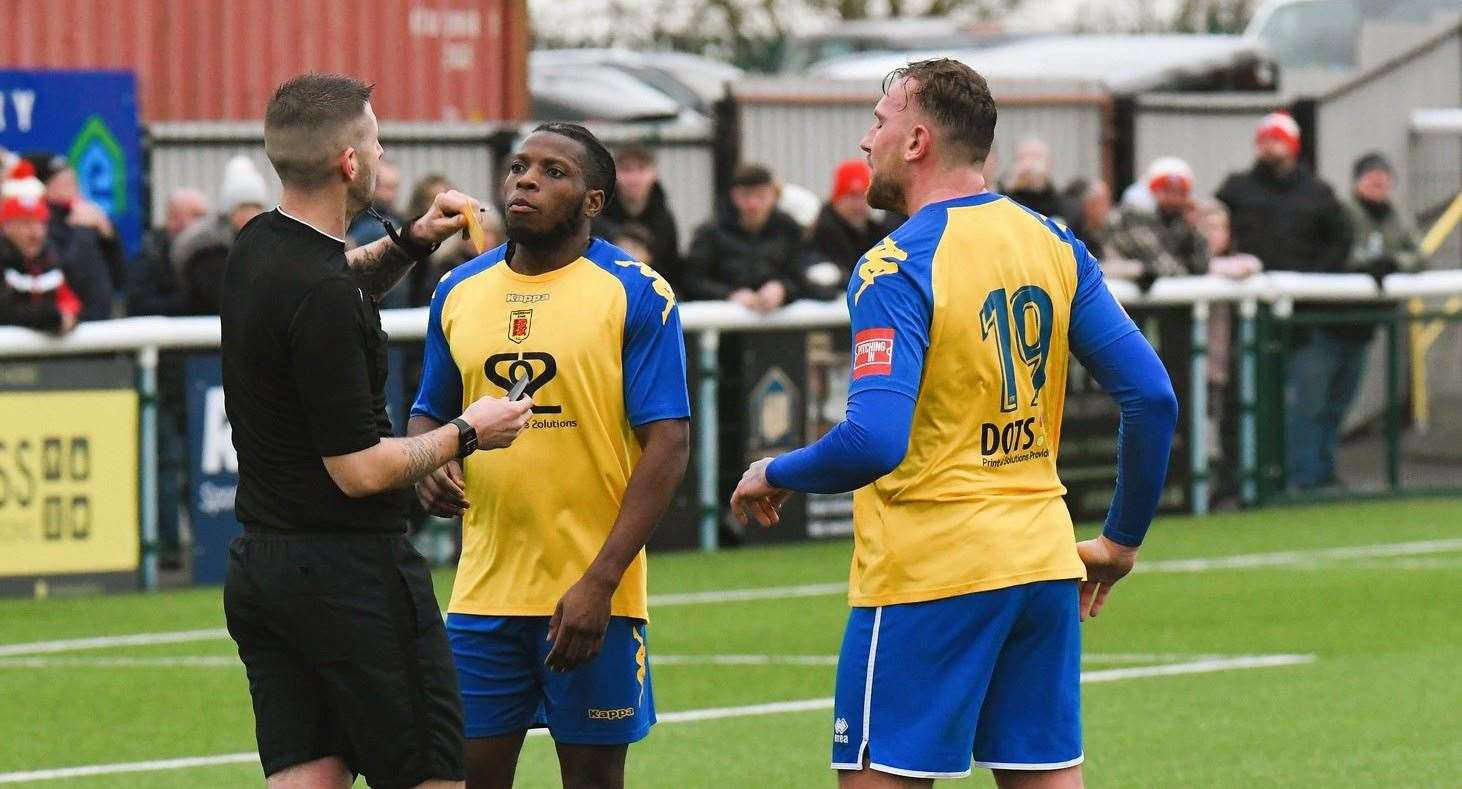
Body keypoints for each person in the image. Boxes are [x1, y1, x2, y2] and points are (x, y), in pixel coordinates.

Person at [729, 58, 1178, 788]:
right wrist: (1120, 541)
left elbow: (874, 440)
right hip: (1040, 563)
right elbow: (1152, 397)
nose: (864, 136)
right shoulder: (1052, 242)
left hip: (930, 573)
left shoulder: (896, 263)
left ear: (915, 142)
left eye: (878, 121)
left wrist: (772, 470)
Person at [221, 73, 534, 789]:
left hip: (263, 570)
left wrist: (414, 239)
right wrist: (467, 429)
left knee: (310, 774)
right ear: (349, 163)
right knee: (432, 774)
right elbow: (357, 469)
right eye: (374, 138)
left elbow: (336, 278)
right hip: (350, 574)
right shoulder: (323, 292)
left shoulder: (259, 247)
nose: (384, 148)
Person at [408, 122, 690, 789]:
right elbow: (430, 407)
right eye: (518, 167)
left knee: (592, 778)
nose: (525, 180)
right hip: (482, 593)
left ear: (593, 202)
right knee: (462, 776)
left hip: (593, 592)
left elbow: (669, 445)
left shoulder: (636, 290)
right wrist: (432, 461)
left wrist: (602, 580)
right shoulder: (457, 291)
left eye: (552, 171)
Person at [1215, 113, 1353, 490]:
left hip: (1300, 319)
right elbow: (1215, 231)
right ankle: (1239, 476)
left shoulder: (1318, 193)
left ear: (1292, 146)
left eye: (1275, 139)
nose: (1267, 146)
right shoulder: (1237, 188)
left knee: (1298, 399)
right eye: (1263, 139)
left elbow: (1340, 241)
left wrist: (1309, 281)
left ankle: (1293, 475)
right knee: (1240, 398)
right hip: (1246, 314)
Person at [683, 163, 805, 313]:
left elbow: (803, 273)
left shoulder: (790, 230)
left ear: (773, 196)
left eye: (761, 195)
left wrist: (783, 288)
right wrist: (729, 294)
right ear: (734, 196)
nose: (753, 204)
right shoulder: (710, 233)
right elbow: (692, 280)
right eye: (746, 195)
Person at [23, 151, 117, 319]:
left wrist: (108, 235)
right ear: (45, 187)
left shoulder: (88, 216)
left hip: (101, 322)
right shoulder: (40, 227)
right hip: (65, 323)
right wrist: (83, 231)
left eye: (74, 181)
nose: (73, 187)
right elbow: (70, 276)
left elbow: (118, 276)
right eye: (64, 182)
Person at [171, 156, 269, 315]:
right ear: (230, 211)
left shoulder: (267, 244)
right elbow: (219, 298)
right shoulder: (206, 249)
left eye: (256, 207)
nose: (251, 214)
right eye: (244, 207)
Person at [0, 164, 82, 334]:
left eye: (40, 223)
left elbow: (73, 301)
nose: (35, 232)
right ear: (6, 227)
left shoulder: (52, 256)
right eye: (25, 223)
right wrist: (53, 318)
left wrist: (69, 315)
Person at [805, 158, 901, 300]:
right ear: (837, 198)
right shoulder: (820, 234)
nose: (859, 205)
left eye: (864, 196)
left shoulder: (879, 233)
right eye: (852, 196)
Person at [593, 146, 684, 294]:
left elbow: (671, 268)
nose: (634, 178)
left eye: (641, 169)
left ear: (654, 174)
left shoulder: (665, 219)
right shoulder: (596, 215)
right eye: (626, 170)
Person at [1106, 157, 1209, 288]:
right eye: (1165, 189)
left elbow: (1202, 267)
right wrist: (1187, 271)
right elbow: (1163, 268)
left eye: (1180, 192)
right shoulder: (1131, 217)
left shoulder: (1181, 220)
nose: (1173, 197)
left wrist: (1193, 229)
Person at [126, 188, 211, 316]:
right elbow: (138, 304)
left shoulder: (213, 253)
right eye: (198, 215)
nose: (206, 223)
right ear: (174, 218)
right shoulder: (152, 253)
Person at [1001, 137, 1067, 223]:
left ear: (1049, 163)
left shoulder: (1063, 204)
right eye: (1023, 157)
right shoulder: (1003, 200)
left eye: (1036, 157)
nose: (1029, 163)